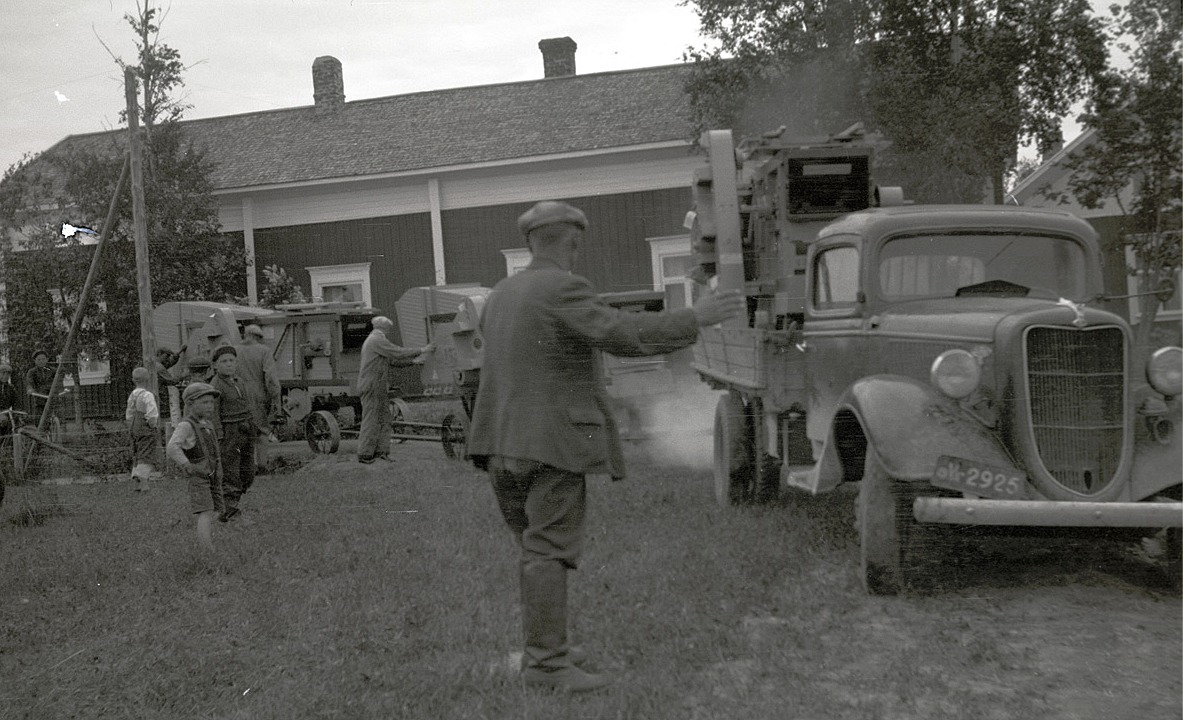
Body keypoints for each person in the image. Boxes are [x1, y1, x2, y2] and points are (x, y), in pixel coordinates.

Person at [466, 200, 745, 692]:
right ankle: (548, 665)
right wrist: (696, 316)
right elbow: (623, 336)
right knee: (548, 551)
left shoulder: (502, 294)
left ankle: (546, 647)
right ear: (572, 242)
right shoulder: (563, 286)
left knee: (534, 550)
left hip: (498, 443)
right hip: (548, 445)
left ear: (531, 242)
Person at [355, 316, 432, 464]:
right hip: (371, 386)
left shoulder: (375, 341)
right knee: (371, 419)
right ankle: (364, 454)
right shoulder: (376, 340)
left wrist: (413, 362)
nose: (389, 331)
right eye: (389, 328)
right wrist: (422, 350)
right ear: (384, 328)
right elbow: (397, 352)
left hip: (378, 386)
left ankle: (381, 452)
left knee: (385, 418)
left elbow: (392, 360)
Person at [166, 382, 224, 553]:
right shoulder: (186, 426)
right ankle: (207, 548)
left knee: (216, 509)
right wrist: (185, 464)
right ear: (190, 404)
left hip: (213, 474)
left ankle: (207, 539)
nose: (210, 406)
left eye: (211, 403)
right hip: (199, 475)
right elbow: (172, 447)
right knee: (205, 510)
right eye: (204, 402)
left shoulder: (208, 424)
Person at [209, 345, 255, 522]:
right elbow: (213, 414)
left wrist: (254, 427)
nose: (229, 364)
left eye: (231, 361)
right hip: (229, 432)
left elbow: (247, 405)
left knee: (248, 470)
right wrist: (219, 436)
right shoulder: (216, 385)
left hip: (246, 428)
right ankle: (230, 511)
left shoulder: (239, 381)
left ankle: (227, 504)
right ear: (215, 365)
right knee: (231, 472)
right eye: (224, 361)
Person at [235, 323, 282, 448]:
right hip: (258, 394)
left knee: (242, 430)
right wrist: (277, 400)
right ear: (258, 337)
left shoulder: (234, 350)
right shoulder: (264, 351)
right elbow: (271, 379)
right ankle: (262, 464)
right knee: (261, 431)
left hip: (237, 394)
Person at [125, 367, 160, 492]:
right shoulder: (147, 395)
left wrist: (131, 426)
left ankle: (137, 482)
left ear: (133, 380)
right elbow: (152, 413)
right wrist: (153, 424)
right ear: (148, 379)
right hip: (145, 427)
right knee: (146, 453)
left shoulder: (132, 395)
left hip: (134, 427)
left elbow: (129, 414)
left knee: (137, 452)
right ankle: (144, 483)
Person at [24, 349, 55, 419]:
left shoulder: (52, 370)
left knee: (56, 415)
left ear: (47, 359)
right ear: (35, 361)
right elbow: (29, 382)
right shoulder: (32, 372)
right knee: (39, 419)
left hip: (52, 396)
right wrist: (30, 389)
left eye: (43, 359)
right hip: (39, 398)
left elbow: (58, 381)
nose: (41, 361)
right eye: (39, 359)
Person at [0, 363, 18, 434]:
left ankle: (8, 443)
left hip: (6, 412)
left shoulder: (11, 388)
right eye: (3, 373)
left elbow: (16, 402)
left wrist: (17, 412)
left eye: (8, 374)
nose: (5, 376)